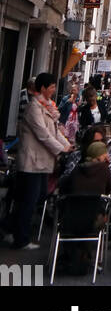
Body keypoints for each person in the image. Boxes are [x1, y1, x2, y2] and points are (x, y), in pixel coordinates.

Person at [7, 72, 73, 249]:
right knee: (30, 199)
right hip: (31, 162)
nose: (53, 90)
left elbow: (54, 131)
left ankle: (12, 228)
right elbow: (43, 134)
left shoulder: (48, 106)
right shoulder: (34, 108)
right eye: (51, 87)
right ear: (42, 88)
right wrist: (61, 149)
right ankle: (21, 238)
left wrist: (67, 145)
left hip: (43, 162)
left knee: (39, 195)